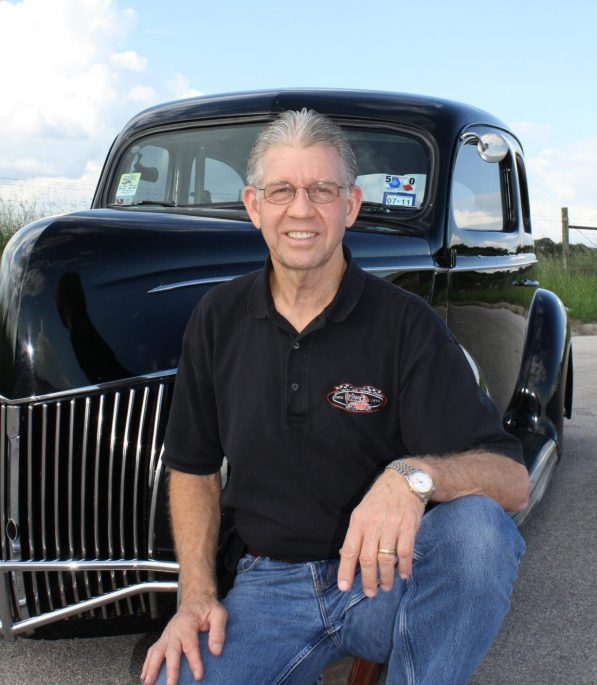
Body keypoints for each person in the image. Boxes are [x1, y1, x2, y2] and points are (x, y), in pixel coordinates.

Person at [140, 109, 529, 685]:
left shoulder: (406, 325)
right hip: (269, 587)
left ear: (350, 205)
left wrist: (414, 476)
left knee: (478, 533)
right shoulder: (216, 319)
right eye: (282, 191)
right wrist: (195, 594)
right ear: (253, 206)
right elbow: (193, 468)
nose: (301, 210)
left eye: (322, 190)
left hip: (383, 576)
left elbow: (512, 483)